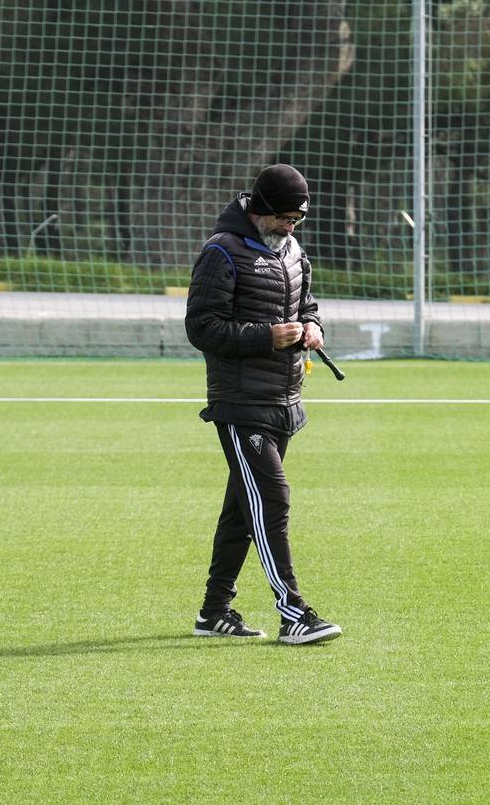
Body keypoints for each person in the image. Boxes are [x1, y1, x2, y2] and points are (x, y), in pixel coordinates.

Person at [184, 163, 342, 645]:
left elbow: (306, 306)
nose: (291, 227)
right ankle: (293, 612)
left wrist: (312, 328)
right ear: (262, 210)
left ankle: (213, 613)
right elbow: (201, 328)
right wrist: (266, 337)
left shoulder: (294, 252)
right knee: (271, 500)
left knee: (242, 509)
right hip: (239, 402)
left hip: (284, 399)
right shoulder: (221, 252)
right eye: (286, 218)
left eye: (298, 220)